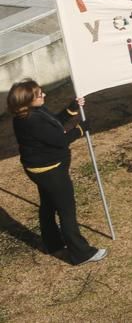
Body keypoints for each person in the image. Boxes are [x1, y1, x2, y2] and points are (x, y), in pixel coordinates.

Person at [8, 80, 107, 265]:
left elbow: (55, 124)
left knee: (48, 205)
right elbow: (60, 139)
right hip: (50, 173)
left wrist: (72, 109)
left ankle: (52, 243)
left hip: (42, 171)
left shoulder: (32, 112)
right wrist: (80, 129)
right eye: (39, 94)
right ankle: (81, 254)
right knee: (66, 211)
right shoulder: (31, 121)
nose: (44, 95)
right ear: (27, 100)